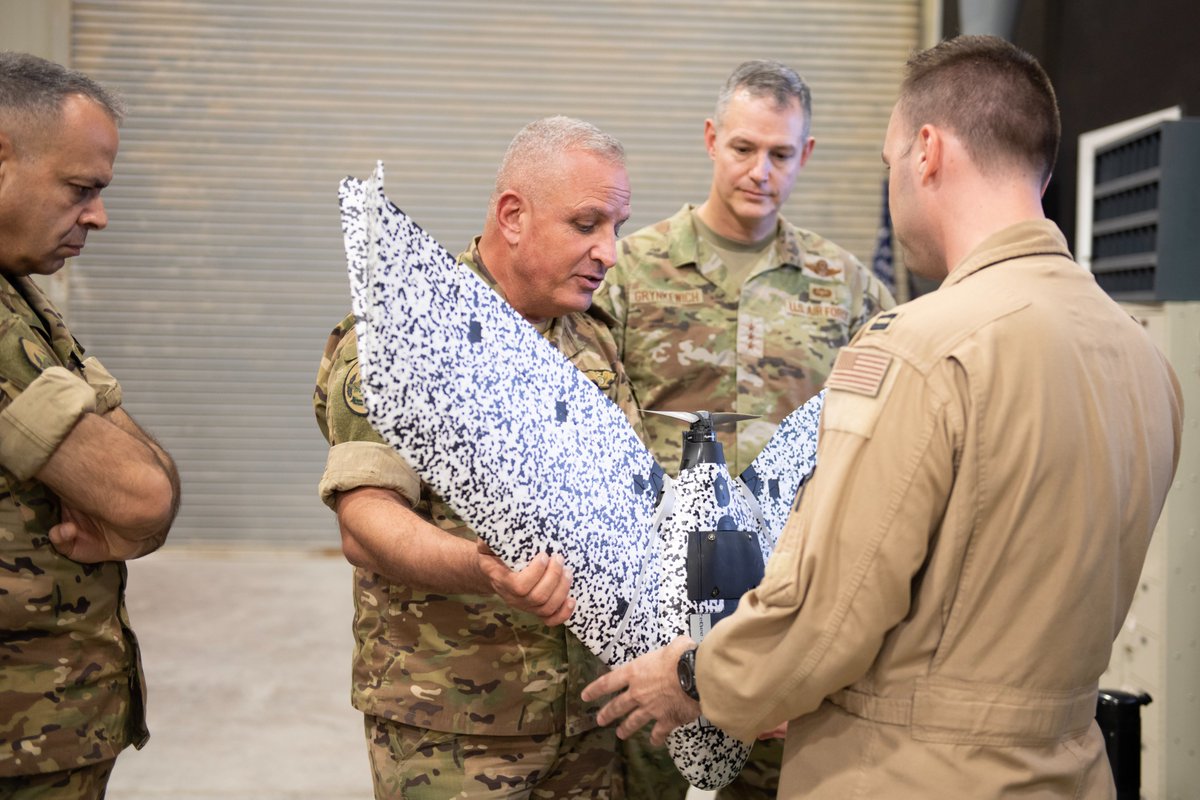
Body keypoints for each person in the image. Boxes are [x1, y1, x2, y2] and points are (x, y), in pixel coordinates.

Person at [582, 35, 1183, 800]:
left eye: (889, 158)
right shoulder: (1144, 361)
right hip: (1065, 767)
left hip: (909, 770)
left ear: (926, 151)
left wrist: (695, 676)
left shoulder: (922, 348)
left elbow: (829, 613)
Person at [592, 60, 894, 798]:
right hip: (652, 618)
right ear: (710, 139)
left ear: (806, 155)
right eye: (743, 148)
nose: (761, 171)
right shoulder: (630, 272)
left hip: (787, 618)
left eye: (781, 154)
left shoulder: (846, 287)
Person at [314, 116, 639, 799]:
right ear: (513, 216)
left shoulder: (593, 342)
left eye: (617, 226)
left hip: (589, 719)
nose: (609, 252)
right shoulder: (408, 333)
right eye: (587, 224)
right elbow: (365, 520)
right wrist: (483, 569)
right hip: (453, 724)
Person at [0, 52, 181, 798]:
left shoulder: (18, 290)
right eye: (80, 189)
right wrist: (135, 508)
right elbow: (141, 495)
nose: (98, 215)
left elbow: (147, 483)